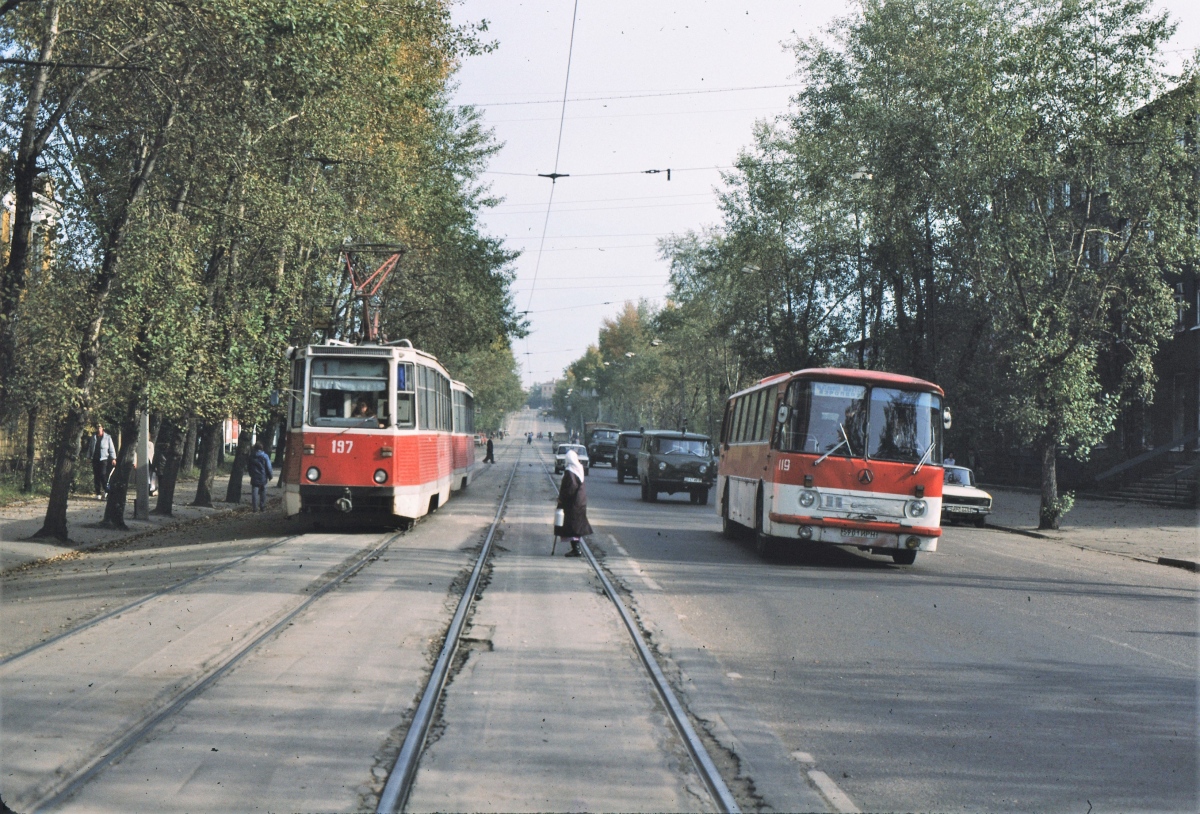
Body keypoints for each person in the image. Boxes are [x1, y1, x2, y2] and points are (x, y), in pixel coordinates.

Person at [554, 449, 593, 558]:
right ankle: (576, 548)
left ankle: (576, 549)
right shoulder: (578, 468)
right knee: (575, 526)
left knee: (572, 527)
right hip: (580, 502)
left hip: (572, 503)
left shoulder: (570, 471)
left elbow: (570, 488)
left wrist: (561, 499)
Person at [89, 424, 116, 500]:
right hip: (95, 458)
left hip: (104, 458)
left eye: (100, 427)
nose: (98, 429)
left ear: (102, 428)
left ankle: (106, 491)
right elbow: (90, 447)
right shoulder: (94, 437)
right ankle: (98, 493)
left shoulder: (107, 437)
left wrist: (113, 458)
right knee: (96, 476)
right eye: (97, 427)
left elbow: (111, 448)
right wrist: (88, 457)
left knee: (103, 475)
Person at [247, 441, 273, 512]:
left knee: (254, 493)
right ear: (262, 448)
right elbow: (268, 467)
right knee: (263, 492)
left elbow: (249, 467)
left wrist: (251, 474)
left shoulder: (251, 456)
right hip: (263, 476)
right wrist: (270, 475)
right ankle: (262, 507)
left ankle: (255, 508)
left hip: (254, 476)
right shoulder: (265, 456)